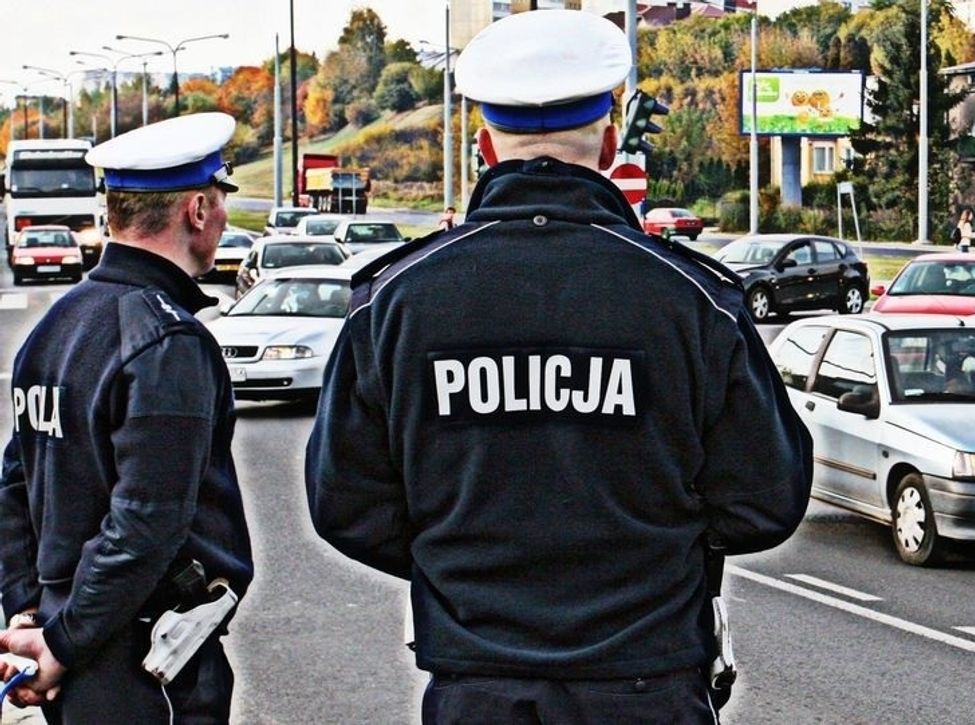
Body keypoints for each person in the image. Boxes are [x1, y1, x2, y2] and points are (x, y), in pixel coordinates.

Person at [304, 10, 812, 724]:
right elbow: (767, 498)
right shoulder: (693, 299)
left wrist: (459, 564)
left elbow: (346, 502)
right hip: (647, 678)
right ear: (609, 143)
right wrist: (658, 550)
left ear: (484, 146)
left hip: (477, 681)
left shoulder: (395, 300)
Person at [0, 113, 255, 721]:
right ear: (197, 209)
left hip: (78, 651)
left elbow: (15, 488)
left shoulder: (56, 326)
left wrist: (29, 616)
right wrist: (61, 644)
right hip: (144, 662)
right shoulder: (166, 340)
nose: (224, 216)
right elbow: (145, 522)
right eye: (220, 198)